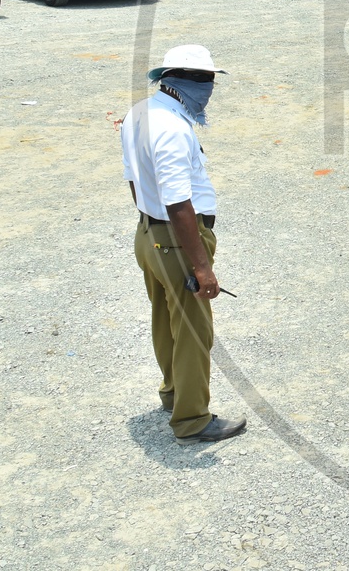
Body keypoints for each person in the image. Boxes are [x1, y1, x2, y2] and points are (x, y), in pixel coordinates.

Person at [121, 44, 246, 444]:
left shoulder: (139, 113)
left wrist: (149, 221)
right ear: (181, 82)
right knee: (194, 331)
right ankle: (192, 419)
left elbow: (132, 178)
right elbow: (178, 202)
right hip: (176, 241)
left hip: (150, 235)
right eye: (206, 82)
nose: (209, 90)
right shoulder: (173, 128)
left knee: (166, 320)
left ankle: (173, 393)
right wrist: (202, 266)